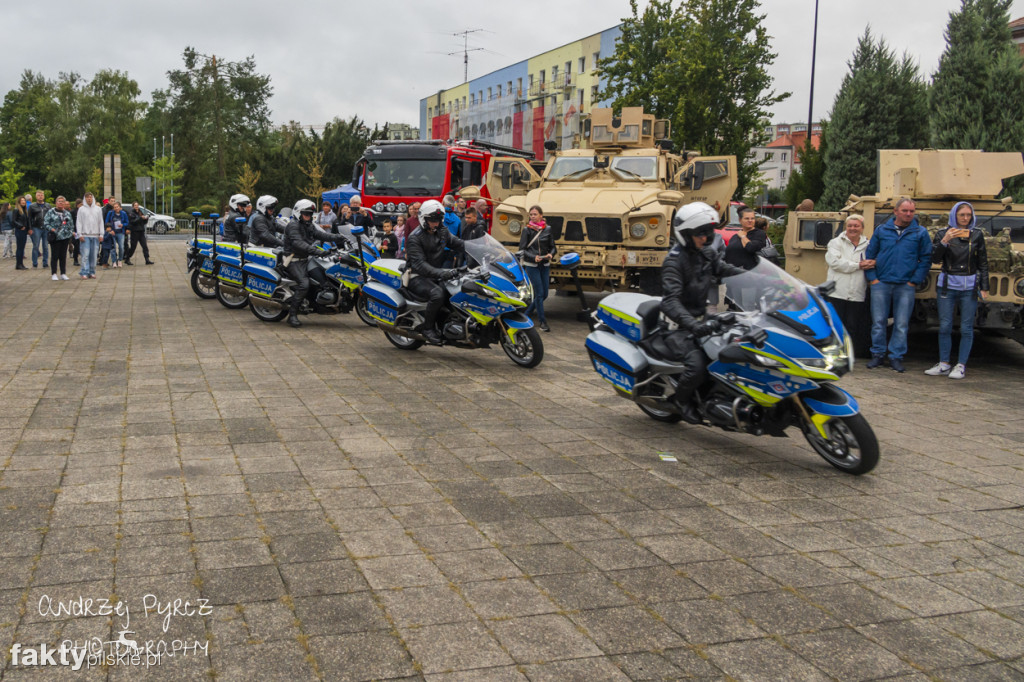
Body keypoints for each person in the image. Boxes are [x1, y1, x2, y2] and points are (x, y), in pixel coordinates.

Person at [659, 202, 746, 424]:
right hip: (677, 328)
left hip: (703, 321)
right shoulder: (673, 262)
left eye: (708, 232)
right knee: (697, 364)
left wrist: (763, 279)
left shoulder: (705, 253)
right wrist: (693, 325)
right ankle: (680, 401)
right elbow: (671, 301)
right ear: (686, 234)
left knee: (739, 345)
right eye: (701, 233)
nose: (706, 238)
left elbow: (726, 270)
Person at [864, 197, 933, 373]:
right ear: (896, 211)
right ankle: (878, 355)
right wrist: (873, 278)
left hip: (905, 285)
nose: (909, 214)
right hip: (882, 282)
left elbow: (925, 259)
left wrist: (914, 281)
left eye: (911, 211)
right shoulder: (881, 230)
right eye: (905, 211)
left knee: (901, 323)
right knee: (878, 322)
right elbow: (870, 255)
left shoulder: (920, 233)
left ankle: (896, 356)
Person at [924, 201, 989, 379]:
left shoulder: (977, 235)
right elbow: (935, 259)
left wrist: (984, 286)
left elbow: (983, 261)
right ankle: (944, 363)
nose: (966, 218)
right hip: (947, 285)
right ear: (955, 216)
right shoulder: (942, 233)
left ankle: (960, 365)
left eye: (969, 215)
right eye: (962, 215)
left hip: (969, 286)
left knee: (967, 328)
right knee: (944, 326)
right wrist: (944, 241)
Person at [405, 198, 466, 345]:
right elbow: (420, 265)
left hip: (436, 274)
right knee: (437, 294)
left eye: (439, 220)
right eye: (433, 220)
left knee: (459, 288)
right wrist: (443, 273)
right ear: (423, 218)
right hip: (416, 276)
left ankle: (449, 323)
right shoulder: (414, 238)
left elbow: (458, 243)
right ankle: (428, 328)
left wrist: (481, 250)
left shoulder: (442, 231)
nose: (436, 223)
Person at [282, 199, 348, 328]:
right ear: (298, 213)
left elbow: (320, 235)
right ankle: (292, 315)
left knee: (323, 276)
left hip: (305, 259)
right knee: (304, 284)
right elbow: (298, 244)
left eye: (310, 214)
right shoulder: (293, 225)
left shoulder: (308, 225)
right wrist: (318, 251)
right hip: (293, 260)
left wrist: (338, 237)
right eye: (306, 214)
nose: (308, 216)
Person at [825, 214, 873, 357]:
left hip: (857, 291)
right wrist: (858, 265)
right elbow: (835, 263)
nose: (853, 229)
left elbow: (872, 262)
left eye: (856, 226)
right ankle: (833, 353)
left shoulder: (868, 245)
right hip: (837, 291)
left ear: (862, 228)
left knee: (853, 325)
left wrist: (871, 264)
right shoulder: (835, 243)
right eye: (850, 225)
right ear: (846, 227)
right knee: (835, 324)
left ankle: (847, 354)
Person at [519, 206, 555, 332]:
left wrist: (551, 254)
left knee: (544, 294)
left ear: (541, 215)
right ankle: (542, 322)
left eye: (535, 214)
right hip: (532, 265)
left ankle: (525, 315)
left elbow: (553, 247)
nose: (532, 216)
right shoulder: (527, 230)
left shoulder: (548, 229)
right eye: (531, 214)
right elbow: (522, 250)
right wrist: (533, 257)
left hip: (545, 264)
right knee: (539, 293)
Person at [44, 196, 74, 280]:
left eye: (62, 201)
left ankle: (63, 273)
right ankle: (54, 273)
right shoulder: (51, 212)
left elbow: (71, 224)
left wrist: (70, 233)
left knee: (63, 256)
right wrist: (52, 229)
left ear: (64, 203)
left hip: (65, 237)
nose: (60, 203)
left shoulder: (67, 213)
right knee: (55, 255)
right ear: (56, 203)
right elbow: (46, 223)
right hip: (55, 237)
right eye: (59, 201)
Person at [77, 193, 104, 279]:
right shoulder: (81, 209)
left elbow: (101, 222)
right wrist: (79, 234)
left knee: (94, 255)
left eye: (90, 197)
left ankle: (92, 271)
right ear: (85, 199)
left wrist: (101, 234)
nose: (89, 199)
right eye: (87, 197)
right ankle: (84, 271)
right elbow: (79, 222)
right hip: (85, 235)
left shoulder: (98, 209)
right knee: (85, 255)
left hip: (95, 235)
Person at [124, 201, 153, 265]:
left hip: (141, 231)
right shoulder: (132, 213)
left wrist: (146, 218)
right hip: (135, 232)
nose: (136, 206)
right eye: (135, 205)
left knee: (145, 246)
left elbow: (143, 222)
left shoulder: (140, 212)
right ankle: (127, 258)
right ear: (133, 206)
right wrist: (140, 218)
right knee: (133, 247)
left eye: (137, 205)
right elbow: (133, 221)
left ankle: (147, 259)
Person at [28, 190, 51, 269]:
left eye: (41, 195)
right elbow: (29, 218)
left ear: (44, 196)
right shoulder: (32, 206)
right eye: (38, 195)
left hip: (46, 228)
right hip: (36, 228)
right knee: (36, 246)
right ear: (36, 196)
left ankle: (45, 263)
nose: (40, 196)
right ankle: (35, 263)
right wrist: (30, 228)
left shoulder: (48, 205)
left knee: (45, 246)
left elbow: (50, 217)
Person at [105, 201, 128, 268]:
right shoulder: (110, 213)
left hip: (121, 232)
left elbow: (127, 222)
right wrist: (110, 230)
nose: (116, 208)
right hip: (113, 232)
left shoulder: (123, 213)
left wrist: (123, 225)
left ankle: (120, 260)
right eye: (115, 207)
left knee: (121, 247)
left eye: (117, 207)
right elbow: (107, 222)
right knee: (113, 247)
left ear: (120, 207)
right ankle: (114, 261)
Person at [11, 196, 30, 269]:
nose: (23, 201)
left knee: (22, 248)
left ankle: (20, 264)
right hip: (19, 230)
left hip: (24, 231)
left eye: (24, 200)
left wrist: (28, 228)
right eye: (22, 200)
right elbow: (13, 221)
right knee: (20, 248)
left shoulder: (24, 210)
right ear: (19, 202)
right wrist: (20, 226)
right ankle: (18, 264)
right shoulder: (16, 210)